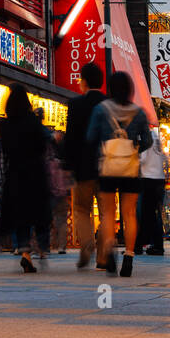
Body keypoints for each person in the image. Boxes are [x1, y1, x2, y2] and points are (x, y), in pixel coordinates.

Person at [87, 71, 153, 277]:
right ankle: (129, 257)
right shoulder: (139, 113)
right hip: (131, 169)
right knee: (130, 214)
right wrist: (133, 149)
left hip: (107, 167)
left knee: (107, 214)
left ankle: (109, 251)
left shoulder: (100, 110)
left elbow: (90, 137)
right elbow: (149, 141)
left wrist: (105, 148)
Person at [0, 85, 52, 273]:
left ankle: (25, 253)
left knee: (20, 215)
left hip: (15, 175)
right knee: (38, 212)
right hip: (35, 174)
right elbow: (46, 142)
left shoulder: (4, 125)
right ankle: (42, 246)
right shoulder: (33, 122)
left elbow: (3, 155)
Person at [63, 62, 107, 269]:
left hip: (83, 168)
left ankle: (87, 244)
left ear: (85, 81)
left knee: (82, 209)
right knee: (107, 211)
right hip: (108, 168)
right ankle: (104, 255)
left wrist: (68, 164)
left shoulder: (76, 104)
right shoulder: (110, 105)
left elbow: (70, 138)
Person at [135, 123, 170, 255]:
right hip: (159, 179)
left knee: (142, 214)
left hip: (148, 178)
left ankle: (140, 245)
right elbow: (164, 158)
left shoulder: (145, 137)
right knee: (154, 215)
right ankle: (156, 245)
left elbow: (142, 159)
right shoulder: (155, 135)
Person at [46, 131, 71, 254]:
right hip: (62, 193)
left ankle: (50, 244)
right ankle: (62, 246)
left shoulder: (47, 162)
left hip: (49, 193)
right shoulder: (64, 163)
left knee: (48, 220)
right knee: (61, 221)